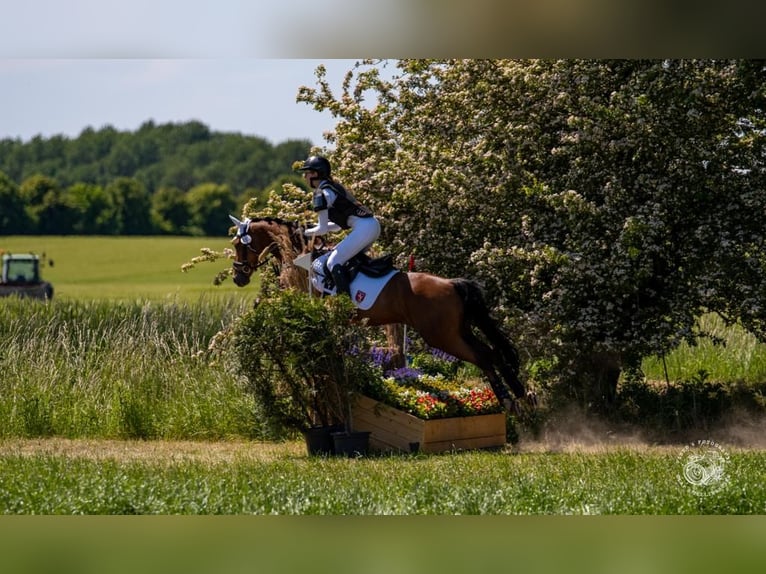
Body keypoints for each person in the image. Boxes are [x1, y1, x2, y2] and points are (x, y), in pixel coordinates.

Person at [297, 155, 381, 296]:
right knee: (348, 261)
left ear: (316, 174)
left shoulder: (321, 194)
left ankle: (344, 303)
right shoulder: (332, 188)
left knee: (332, 262)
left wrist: (303, 232)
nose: (305, 177)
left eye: (307, 173)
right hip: (371, 226)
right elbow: (335, 227)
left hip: (365, 229)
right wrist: (311, 228)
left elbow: (322, 230)